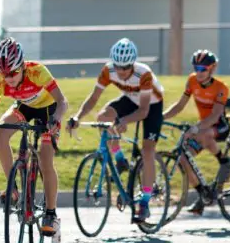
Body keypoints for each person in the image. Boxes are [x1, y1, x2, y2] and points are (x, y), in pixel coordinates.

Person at [66, 38, 164, 223]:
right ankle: (120, 159)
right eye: (118, 66)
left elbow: (143, 111)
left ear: (132, 64)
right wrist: (78, 117)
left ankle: (144, 202)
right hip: (130, 99)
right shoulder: (108, 70)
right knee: (103, 118)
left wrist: (125, 120)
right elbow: (94, 98)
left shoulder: (144, 74)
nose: (121, 71)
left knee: (147, 151)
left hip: (152, 105)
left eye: (125, 67)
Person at [0, 37, 68, 237]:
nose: (8, 78)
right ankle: (14, 188)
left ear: (22, 66)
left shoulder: (38, 72)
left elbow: (62, 102)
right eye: (4, 73)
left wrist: (56, 120)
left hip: (48, 111)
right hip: (25, 108)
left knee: (46, 160)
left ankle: (51, 214)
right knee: (0, 132)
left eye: (13, 72)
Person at [163, 49, 230, 215]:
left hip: (219, 126)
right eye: (196, 68)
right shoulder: (192, 81)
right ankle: (203, 193)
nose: (199, 72)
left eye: (203, 69)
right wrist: (161, 117)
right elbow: (180, 105)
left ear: (212, 69)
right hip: (203, 127)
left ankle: (224, 159)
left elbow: (216, 115)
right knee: (182, 158)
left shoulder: (221, 88)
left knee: (202, 134)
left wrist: (196, 128)